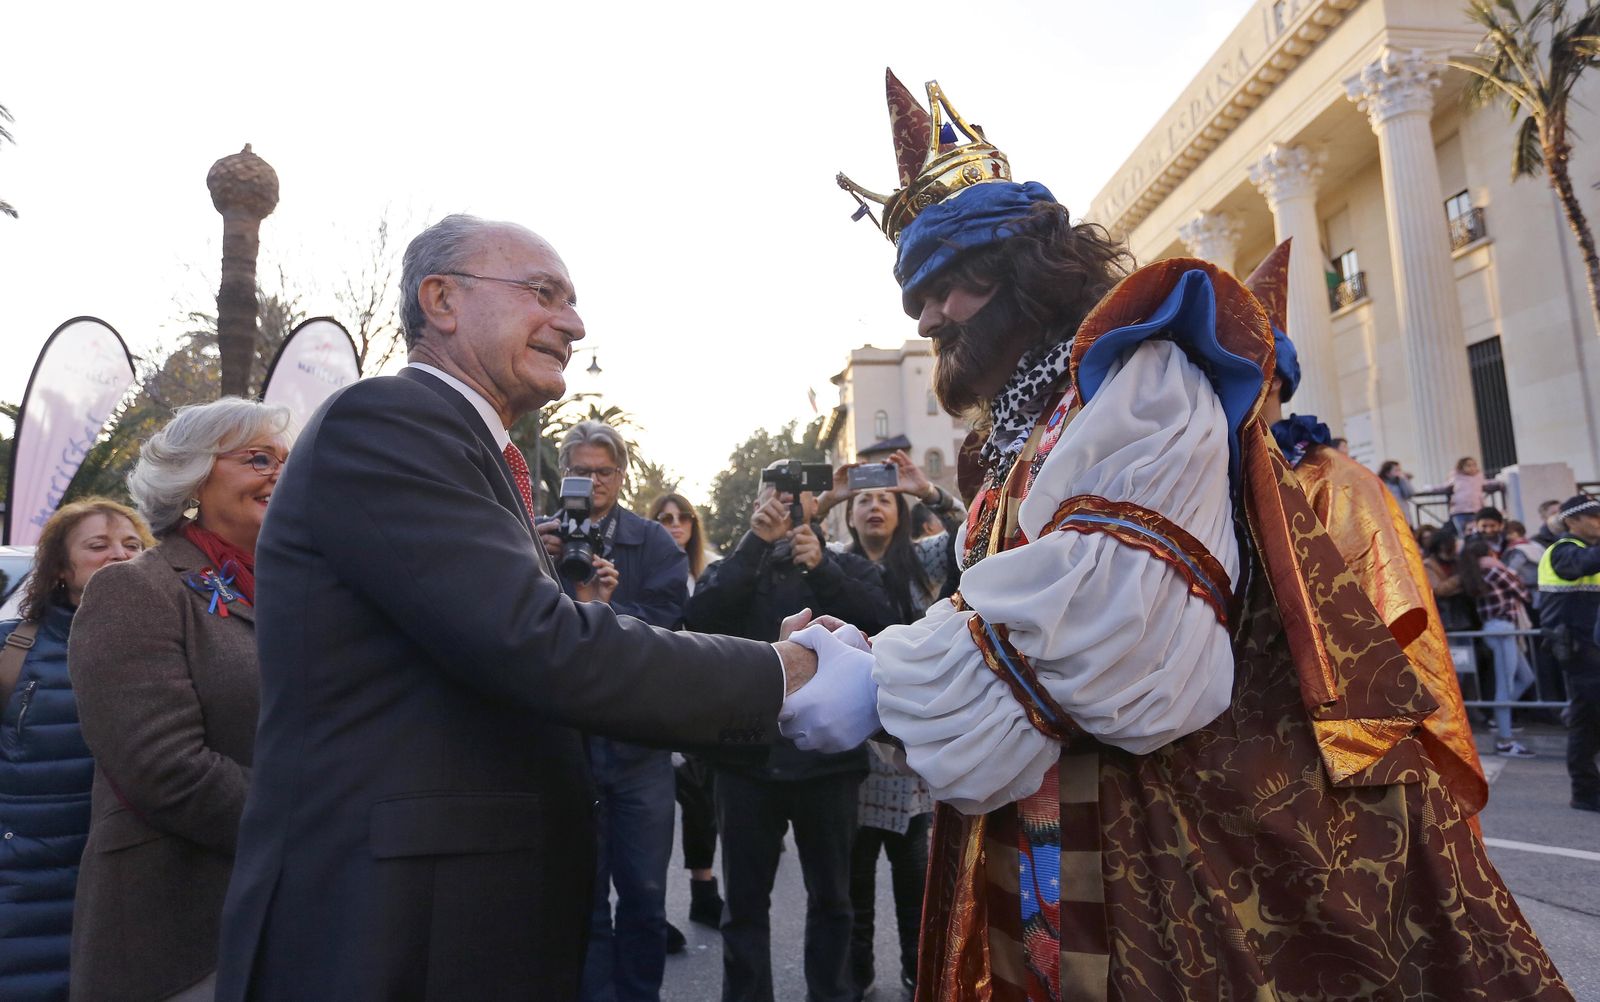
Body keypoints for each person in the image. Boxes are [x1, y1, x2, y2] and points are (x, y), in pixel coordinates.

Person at [788, 71, 1570, 998]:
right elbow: (1007, 606)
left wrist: (882, 681)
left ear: (1017, 269)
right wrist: (880, 653)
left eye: (943, 285)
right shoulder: (1025, 429)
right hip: (1043, 830)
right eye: (914, 296)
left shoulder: (1145, 377)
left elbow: (1113, 630)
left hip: (1173, 844)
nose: (924, 319)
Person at [215, 214, 821, 1002]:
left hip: (450, 918)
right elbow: (537, 642)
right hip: (389, 931)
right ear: (442, 300)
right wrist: (779, 675)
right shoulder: (387, 421)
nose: (573, 323)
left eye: (570, 301)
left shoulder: (466, 448)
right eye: (543, 292)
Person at [1251, 240, 1485, 820]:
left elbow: (1377, 626)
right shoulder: (1211, 478)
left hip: (1319, 740)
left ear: (1273, 380)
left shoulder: (1339, 481)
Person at [68, 398, 289, 1002]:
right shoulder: (134, 588)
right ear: (192, 479)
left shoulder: (302, 590)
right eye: (259, 458)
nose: (282, 474)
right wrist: (310, 823)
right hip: (181, 935)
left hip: (303, 919)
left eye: (290, 462)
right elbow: (163, 769)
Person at [686, 468, 895, 1002]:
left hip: (828, 765)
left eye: (795, 494)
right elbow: (700, 615)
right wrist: (756, 542)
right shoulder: (742, 564)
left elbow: (884, 621)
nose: (784, 503)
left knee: (833, 901)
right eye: (773, 492)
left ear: (816, 504)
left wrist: (821, 567)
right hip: (746, 761)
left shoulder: (843, 565)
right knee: (744, 907)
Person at [537, 420, 687, 1002]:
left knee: (645, 897)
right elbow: (509, 626)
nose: (593, 482)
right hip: (568, 747)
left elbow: (669, 631)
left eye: (603, 472)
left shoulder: (653, 543)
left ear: (621, 476)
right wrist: (536, 558)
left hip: (637, 744)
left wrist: (607, 606)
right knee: (583, 901)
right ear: (563, 474)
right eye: (581, 472)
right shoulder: (533, 536)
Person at [0, 498, 152, 1002]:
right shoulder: (11, 651)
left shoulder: (176, 645)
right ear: (61, 569)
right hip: (25, 886)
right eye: (98, 545)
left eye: (132, 545)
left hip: (132, 883)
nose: (119, 555)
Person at [830, 451, 960, 997]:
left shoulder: (924, 558)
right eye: (863, 499)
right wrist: (827, 498)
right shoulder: (833, 562)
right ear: (850, 514)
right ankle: (858, 973)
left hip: (908, 742)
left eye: (885, 497)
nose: (874, 506)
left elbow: (972, 534)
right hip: (853, 745)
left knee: (915, 882)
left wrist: (927, 491)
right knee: (855, 880)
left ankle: (916, 970)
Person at [646, 492, 726, 941]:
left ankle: (704, 892)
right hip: (653, 703)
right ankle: (651, 911)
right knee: (652, 813)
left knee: (700, 803)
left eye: (683, 518)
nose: (675, 525)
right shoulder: (644, 568)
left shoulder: (710, 571)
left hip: (699, 703)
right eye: (665, 518)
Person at [1536, 495, 1600, 813]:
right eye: (1594, 517)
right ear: (1572, 521)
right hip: (1576, 650)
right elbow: (1582, 565)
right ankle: (1585, 792)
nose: (1599, 522)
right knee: (1586, 719)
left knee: (1591, 718)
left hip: (1591, 647)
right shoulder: (1562, 551)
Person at [1458, 536, 1538, 758]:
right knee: (1505, 685)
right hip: (1502, 629)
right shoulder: (1493, 569)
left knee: (1526, 677)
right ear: (1489, 552)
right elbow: (1523, 592)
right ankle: (1505, 740)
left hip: (1495, 628)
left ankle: (1499, 718)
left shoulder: (1476, 572)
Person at [1427, 456, 1503, 538]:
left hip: (1475, 509)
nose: (1472, 468)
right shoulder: (1456, 477)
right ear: (1461, 467)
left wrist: (1500, 482)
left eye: (1474, 465)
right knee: (1462, 533)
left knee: (1476, 532)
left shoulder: (1479, 477)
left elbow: (1488, 483)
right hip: (1459, 510)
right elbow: (1444, 487)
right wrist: (1430, 488)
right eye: (1468, 465)